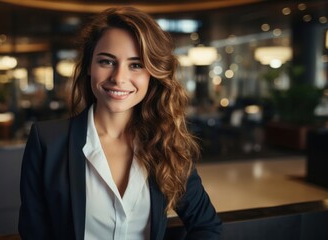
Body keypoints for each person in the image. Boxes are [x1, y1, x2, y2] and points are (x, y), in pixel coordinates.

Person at [19, 7, 222, 240]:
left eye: (136, 65)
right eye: (106, 61)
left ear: (152, 74)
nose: (118, 78)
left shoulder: (166, 143)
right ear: (88, 66)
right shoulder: (47, 141)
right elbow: (33, 233)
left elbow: (207, 225)